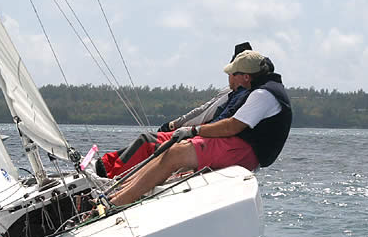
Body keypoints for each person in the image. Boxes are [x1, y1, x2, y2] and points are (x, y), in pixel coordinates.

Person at [110, 49, 292, 206]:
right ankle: (118, 193)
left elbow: (232, 126)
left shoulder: (263, 94)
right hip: (238, 143)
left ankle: (118, 202)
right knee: (169, 148)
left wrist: (194, 130)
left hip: (246, 151)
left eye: (233, 73)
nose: (230, 77)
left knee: (176, 154)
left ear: (246, 76)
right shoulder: (263, 89)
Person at [97, 42, 254, 179]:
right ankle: (106, 165)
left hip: (202, 137)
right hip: (202, 135)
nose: (228, 76)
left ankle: (111, 176)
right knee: (147, 140)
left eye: (231, 73)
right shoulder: (238, 93)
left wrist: (176, 126)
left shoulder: (237, 94)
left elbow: (203, 113)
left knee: (148, 141)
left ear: (242, 75)